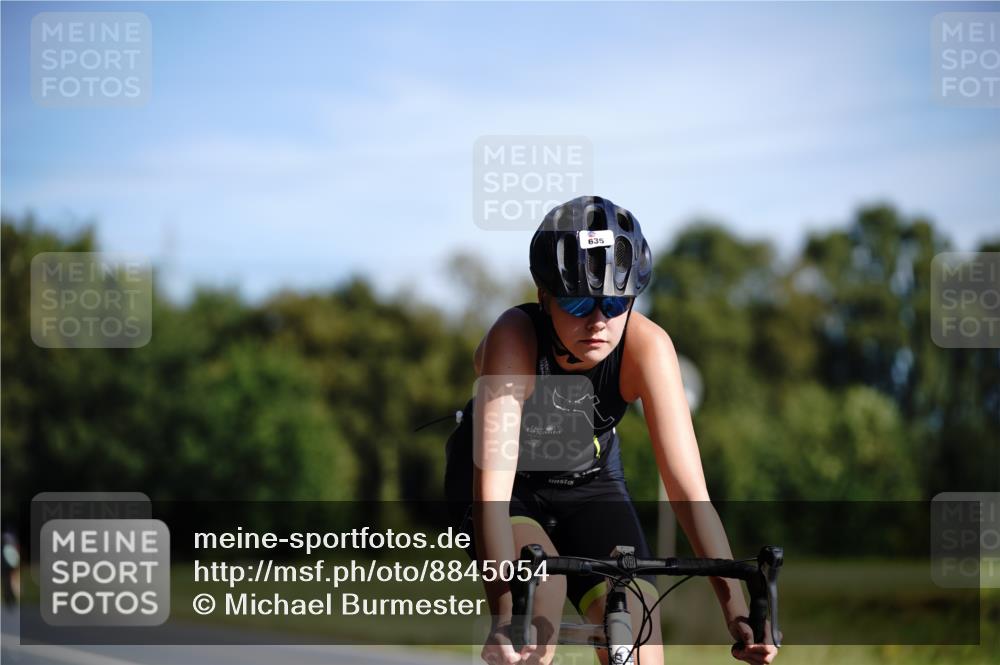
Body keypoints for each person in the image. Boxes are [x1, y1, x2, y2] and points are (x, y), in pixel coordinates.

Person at [444, 196, 777, 665]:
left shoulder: (648, 348)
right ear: (544, 297)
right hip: (508, 485)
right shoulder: (514, 338)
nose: (598, 320)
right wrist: (504, 619)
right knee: (541, 596)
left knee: (639, 621)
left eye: (615, 302)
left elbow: (687, 491)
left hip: (589, 481)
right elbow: (492, 495)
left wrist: (737, 611)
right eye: (579, 302)